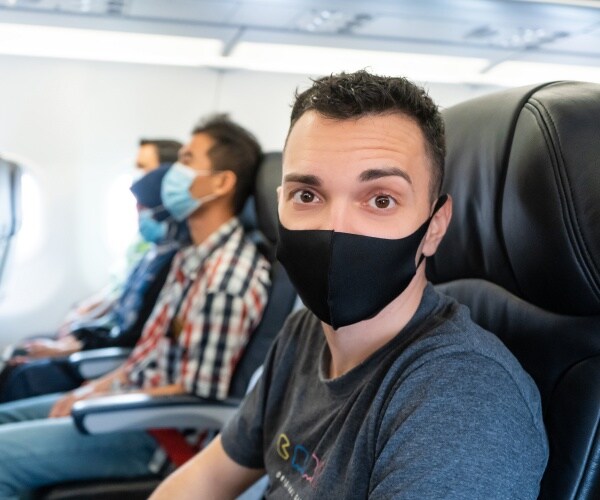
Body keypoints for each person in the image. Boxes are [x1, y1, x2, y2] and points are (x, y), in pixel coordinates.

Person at [150, 71, 548, 499]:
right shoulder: (302, 335)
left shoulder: (464, 402)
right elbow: (208, 479)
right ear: (278, 202)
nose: (335, 229)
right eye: (307, 195)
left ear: (434, 227)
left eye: (381, 200)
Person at [0, 115, 271, 498]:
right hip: (125, 404)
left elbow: (198, 392)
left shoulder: (228, 277)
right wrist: (92, 389)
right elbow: (146, 359)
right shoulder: (190, 256)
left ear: (221, 183)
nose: (172, 174)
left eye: (187, 160)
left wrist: (101, 398)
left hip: (155, 434)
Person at [0, 165, 190, 402]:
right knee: (17, 365)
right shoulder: (151, 255)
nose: (138, 213)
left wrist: (72, 347)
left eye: (143, 207)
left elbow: (133, 338)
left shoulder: (174, 264)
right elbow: (119, 313)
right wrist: (78, 333)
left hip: (112, 360)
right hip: (108, 348)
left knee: (22, 377)